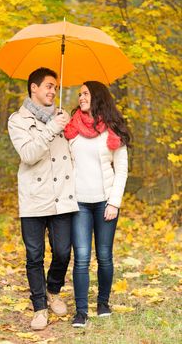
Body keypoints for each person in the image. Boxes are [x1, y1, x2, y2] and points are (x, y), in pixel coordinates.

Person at [8, 67, 78, 330]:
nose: (53, 91)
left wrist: (67, 124)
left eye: (56, 88)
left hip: (62, 197)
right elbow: (28, 154)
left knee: (62, 251)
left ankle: (53, 290)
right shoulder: (17, 120)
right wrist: (51, 128)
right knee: (34, 255)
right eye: (49, 86)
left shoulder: (61, 118)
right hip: (34, 198)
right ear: (33, 88)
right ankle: (39, 306)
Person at [64, 81, 130, 327]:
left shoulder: (112, 130)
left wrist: (114, 202)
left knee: (104, 255)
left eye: (85, 94)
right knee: (81, 256)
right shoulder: (70, 128)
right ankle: (81, 311)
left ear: (98, 97)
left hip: (105, 203)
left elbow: (122, 170)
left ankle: (103, 302)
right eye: (79, 94)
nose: (80, 97)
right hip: (78, 203)